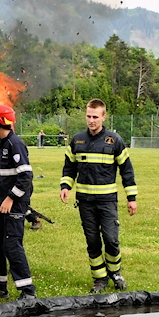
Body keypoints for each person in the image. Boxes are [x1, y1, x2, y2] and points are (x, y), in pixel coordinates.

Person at [60, 98, 138, 293]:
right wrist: (65, 186)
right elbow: (70, 167)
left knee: (111, 239)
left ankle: (115, 273)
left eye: (95, 117)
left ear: (103, 117)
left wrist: (131, 198)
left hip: (107, 201)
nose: (91, 120)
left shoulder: (114, 141)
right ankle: (99, 279)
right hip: (85, 202)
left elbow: (126, 170)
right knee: (93, 241)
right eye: (88, 116)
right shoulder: (78, 140)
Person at [0, 104, 36, 300]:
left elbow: (26, 176)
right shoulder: (2, 145)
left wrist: (11, 198)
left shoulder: (15, 144)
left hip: (15, 203)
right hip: (2, 202)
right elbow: (4, 176)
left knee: (11, 245)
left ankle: (27, 290)